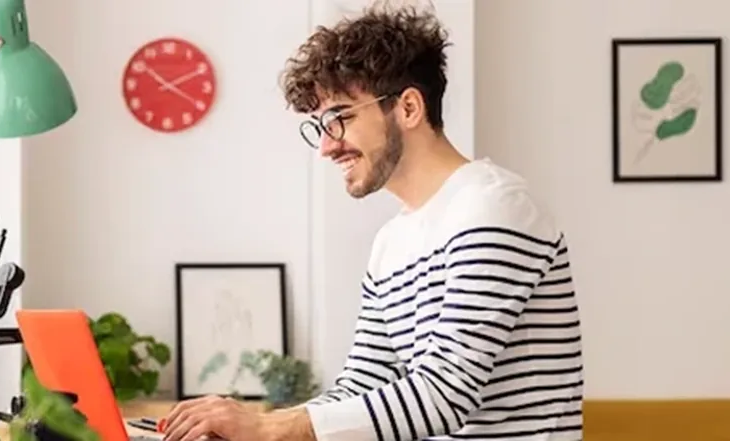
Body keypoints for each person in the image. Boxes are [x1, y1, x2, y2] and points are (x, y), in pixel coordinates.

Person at [160, 4, 583, 441]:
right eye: (320, 126)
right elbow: (361, 387)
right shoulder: (391, 244)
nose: (326, 147)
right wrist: (238, 428)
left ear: (409, 107)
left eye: (340, 118)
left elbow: (446, 394)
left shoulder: (495, 207)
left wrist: (269, 426)